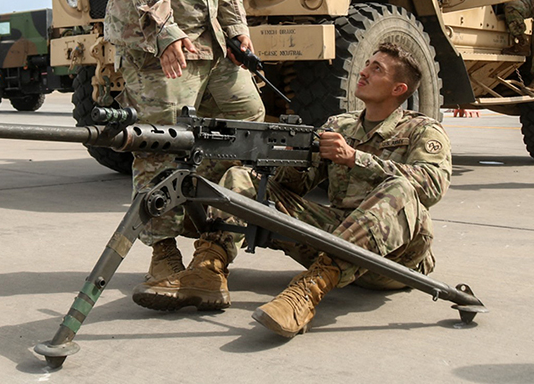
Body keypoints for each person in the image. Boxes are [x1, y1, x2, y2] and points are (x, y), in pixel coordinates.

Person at [131, 43, 452, 338]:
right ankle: (207, 271)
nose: (364, 71)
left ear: (399, 89)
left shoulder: (421, 130)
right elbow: (292, 187)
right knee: (241, 179)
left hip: (395, 261)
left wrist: (357, 159)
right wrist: (290, 159)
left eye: (377, 69)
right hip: (335, 235)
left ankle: (307, 291)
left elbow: (431, 185)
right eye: (366, 63)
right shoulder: (338, 125)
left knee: (399, 189)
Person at [104, 0, 266, 284]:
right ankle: (164, 256)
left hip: (209, 44)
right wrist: (166, 32)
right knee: (161, 148)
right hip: (160, 47)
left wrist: (238, 33)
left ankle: (212, 236)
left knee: (248, 125)